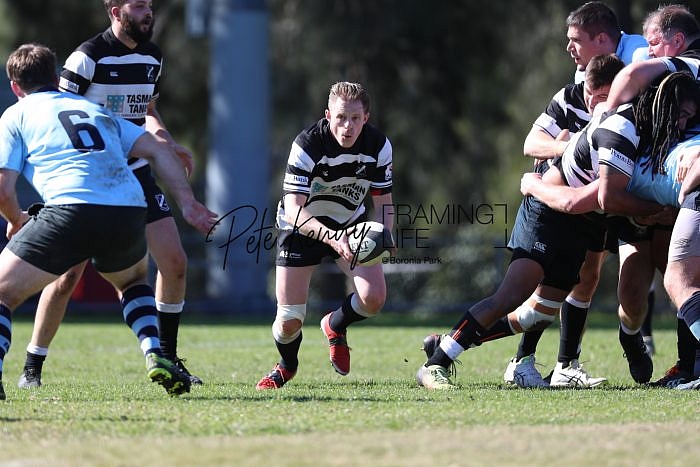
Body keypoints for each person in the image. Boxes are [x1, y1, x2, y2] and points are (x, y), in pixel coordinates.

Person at [416, 70, 699, 390]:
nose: (682, 125)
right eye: (681, 116)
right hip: (550, 211)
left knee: (536, 315)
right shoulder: (621, 129)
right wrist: (652, 210)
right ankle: (435, 365)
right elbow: (588, 200)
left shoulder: (648, 130)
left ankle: (447, 342)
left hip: (581, 221)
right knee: (512, 294)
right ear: (663, 106)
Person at [0, 43, 218, 401]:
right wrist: (188, 202)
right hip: (128, 208)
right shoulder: (94, 109)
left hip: (71, 208)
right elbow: (156, 150)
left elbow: (3, 190)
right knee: (132, 282)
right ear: (55, 76)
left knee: (3, 293)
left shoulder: (16, 114)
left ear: (15, 87)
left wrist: (16, 220)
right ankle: (155, 352)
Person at [255, 81, 393, 390]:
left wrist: (386, 237)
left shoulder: (378, 146)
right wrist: (331, 237)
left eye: (355, 118)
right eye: (341, 117)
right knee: (289, 320)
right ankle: (287, 366)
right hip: (301, 226)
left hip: (350, 224)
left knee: (374, 299)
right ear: (328, 115)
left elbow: (384, 202)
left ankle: (335, 324)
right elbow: (293, 209)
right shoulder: (307, 144)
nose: (347, 126)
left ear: (366, 118)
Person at [603, 4, 700, 388]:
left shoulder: (690, 64)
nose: (648, 52)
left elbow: (632, 74)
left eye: (655, 43)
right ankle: (675, 361)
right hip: (661, 190)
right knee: (638, 292)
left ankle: (687, 366)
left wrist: (605, 115)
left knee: (679, 277)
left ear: (677, 41)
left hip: (680, 188)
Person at [565, 1, 647, 84]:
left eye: (576, 40)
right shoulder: (583, 69)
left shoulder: (640, 57)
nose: (569, 48)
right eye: (570, 39)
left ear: (601, 39)